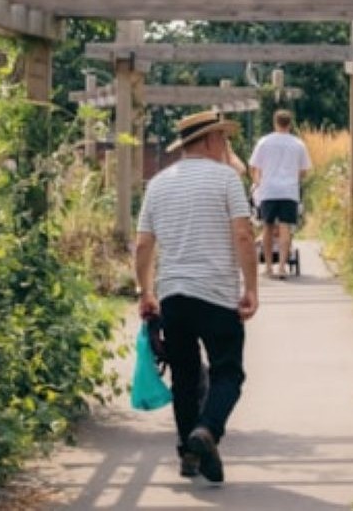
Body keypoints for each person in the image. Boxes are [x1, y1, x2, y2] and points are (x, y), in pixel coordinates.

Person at [135, 109, 259, 485]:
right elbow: (242, 235)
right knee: (228, 373)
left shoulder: (157, 183)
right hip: (217, 295)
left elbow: (142, 245)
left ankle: (189, 455)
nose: (226, 144)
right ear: (207, 140)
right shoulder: (226, 179)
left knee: (186, 378)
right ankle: (207, 430)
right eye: (223, 137)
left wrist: (146, 292)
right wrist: (251, 288)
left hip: (173, 295)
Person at [248, 109, 311, 279]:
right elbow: (304, 171)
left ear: (275, 123)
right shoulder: (298, 144)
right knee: (285, 228)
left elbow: (254, 167)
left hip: (268, 190)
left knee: (267, 227)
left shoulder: (264, 142)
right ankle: (282, 266)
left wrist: (259, 182)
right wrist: (292, 177)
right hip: (289, 191)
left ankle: (269, 267)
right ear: (290, 124)